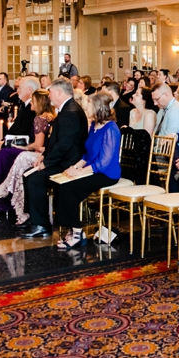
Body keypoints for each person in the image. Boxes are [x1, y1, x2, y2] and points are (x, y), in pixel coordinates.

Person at [18, 79, 88, 240]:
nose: (49, 97)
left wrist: (46, 163)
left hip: (68, 163)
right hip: (61, 158)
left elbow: (64, 145)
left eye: (50, 93)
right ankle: (34, 218)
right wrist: (43, 155)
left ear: (59, 93)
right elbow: (55, 140)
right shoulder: (66, 109)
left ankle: (42, 225)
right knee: (28, 174)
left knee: (35, 179)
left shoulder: (70, 112)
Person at [52, 92, 122, 249]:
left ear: (98, 107)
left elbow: (104, 162)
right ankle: (73, 228)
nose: (85, 107)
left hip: (107, 174)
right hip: (92, 169)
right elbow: (87, 153)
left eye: (89, 104)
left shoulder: (111, 129)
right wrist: (76, 166)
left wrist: (81, 172)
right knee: (62, 185)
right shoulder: (94, 125)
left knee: (69, 188)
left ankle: (77, 232)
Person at [0, 89, 54, 224]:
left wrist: (24, 147)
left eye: (34, 101)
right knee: (3, 156)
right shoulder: (49, 115)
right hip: (40, 151)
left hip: (38, 153)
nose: (31, 104)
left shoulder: (40, 118)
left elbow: (38, 144)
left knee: (5, 154)